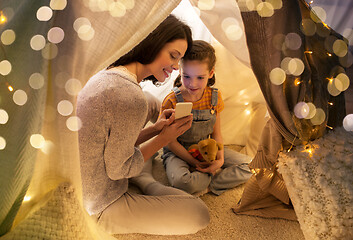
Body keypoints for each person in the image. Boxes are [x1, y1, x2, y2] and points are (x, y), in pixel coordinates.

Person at [77, 15, 210, 235]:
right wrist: (163, 140)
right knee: (199, 214)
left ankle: (142, 178)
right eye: (173, 56)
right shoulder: (129, 96)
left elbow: (107, 142)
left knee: (147, 105)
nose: (176, 67)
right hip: (100, 204)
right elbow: (118, 169)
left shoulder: (108, 73)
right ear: (153, 42)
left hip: (89, 184)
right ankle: (147, 182)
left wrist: (155, 129)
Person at [161, 40, 253, 196]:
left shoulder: (214, 97)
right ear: (180, 71)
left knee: (251, 165)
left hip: (206, 148)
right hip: (178, 152)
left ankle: (208, 185)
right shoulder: (171, 101)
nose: (193, 84)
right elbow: (170, 142)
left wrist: (220, 160)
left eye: (200, 77)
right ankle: (202, 177)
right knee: (182, 182)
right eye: (187, 76)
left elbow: (216, 134)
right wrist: (195, 162)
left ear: (211, 73)